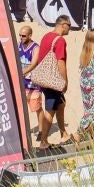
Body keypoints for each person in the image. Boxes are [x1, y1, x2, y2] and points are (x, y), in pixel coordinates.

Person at [29, 19, 72, 148]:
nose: (70, 28)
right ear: (63, 25)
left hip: (44, 79)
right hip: (53, 81)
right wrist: (64, 81)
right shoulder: (60, 40)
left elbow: (42, 57)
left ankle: (64, 134)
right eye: (69, 26)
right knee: (50, 110)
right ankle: (43, 142)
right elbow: (60, 62)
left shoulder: (46, 36)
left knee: (61, 104)